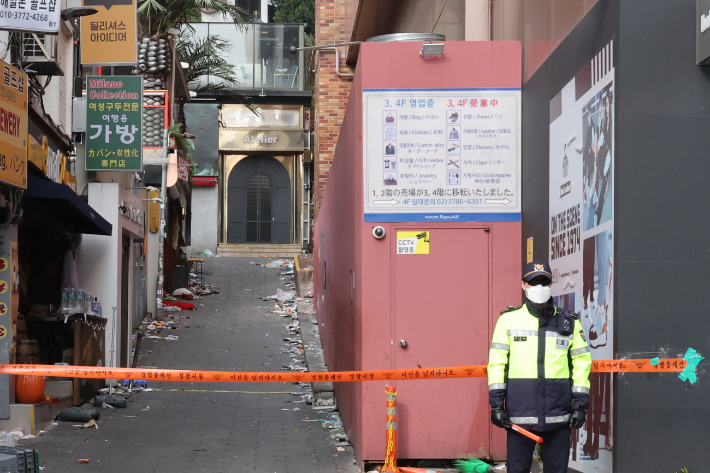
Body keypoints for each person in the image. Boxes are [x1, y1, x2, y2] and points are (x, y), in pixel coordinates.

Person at [488, 261, 592, 473]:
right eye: (533, 282)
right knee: (517, 470)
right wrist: (496, 405)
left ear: (551, 283)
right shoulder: (508, 321)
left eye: (544, 282)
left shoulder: (569, 322)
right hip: (519, 416)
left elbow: (582, 364)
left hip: (559, 415)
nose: (540, 287)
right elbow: (497, 364)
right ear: (523, 285)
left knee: (557, 470)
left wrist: (580, 406)